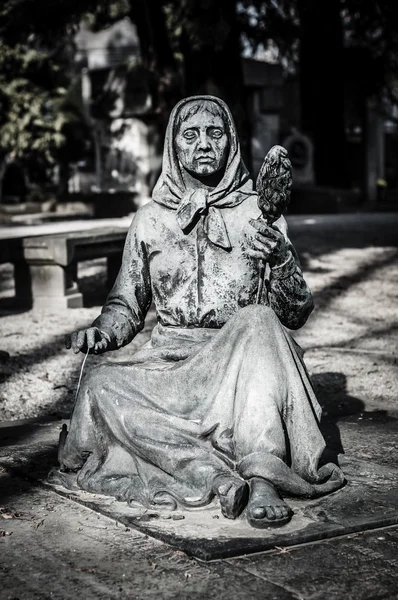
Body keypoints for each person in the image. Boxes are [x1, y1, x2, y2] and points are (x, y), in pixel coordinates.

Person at [56, 95, 345, 529]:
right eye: (190, 135)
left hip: (242, 363)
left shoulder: (259, 213)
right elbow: (126, 303)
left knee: (259, 319)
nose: (204, 144)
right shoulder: (151, 219)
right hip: (172, 365)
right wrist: (102, 331)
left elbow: (296, 312)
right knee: (101, 384)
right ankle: (211, 477)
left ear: (231, 141)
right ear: (174, 145)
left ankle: (263, 473)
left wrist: (282, 260)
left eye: (215, 132)